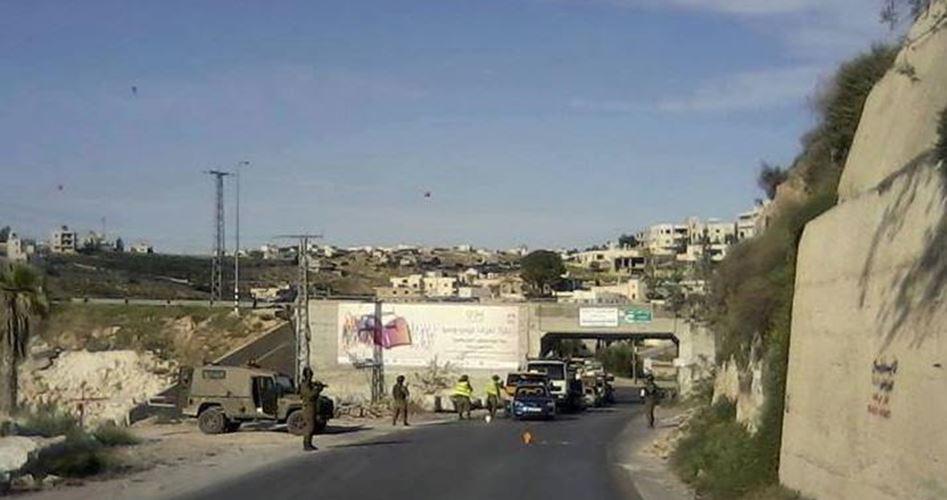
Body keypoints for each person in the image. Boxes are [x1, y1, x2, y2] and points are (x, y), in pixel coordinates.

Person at [299, 367, 326, 451]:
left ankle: (309, 443)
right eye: (309, 375)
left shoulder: (309, 384)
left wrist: (318, 386)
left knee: (312, 426)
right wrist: (317, 390)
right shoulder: (304, 385)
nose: (310, 377)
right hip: (308, 408)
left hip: (311, 407)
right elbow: (310, 395)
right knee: (309, 426)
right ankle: (306, 444)